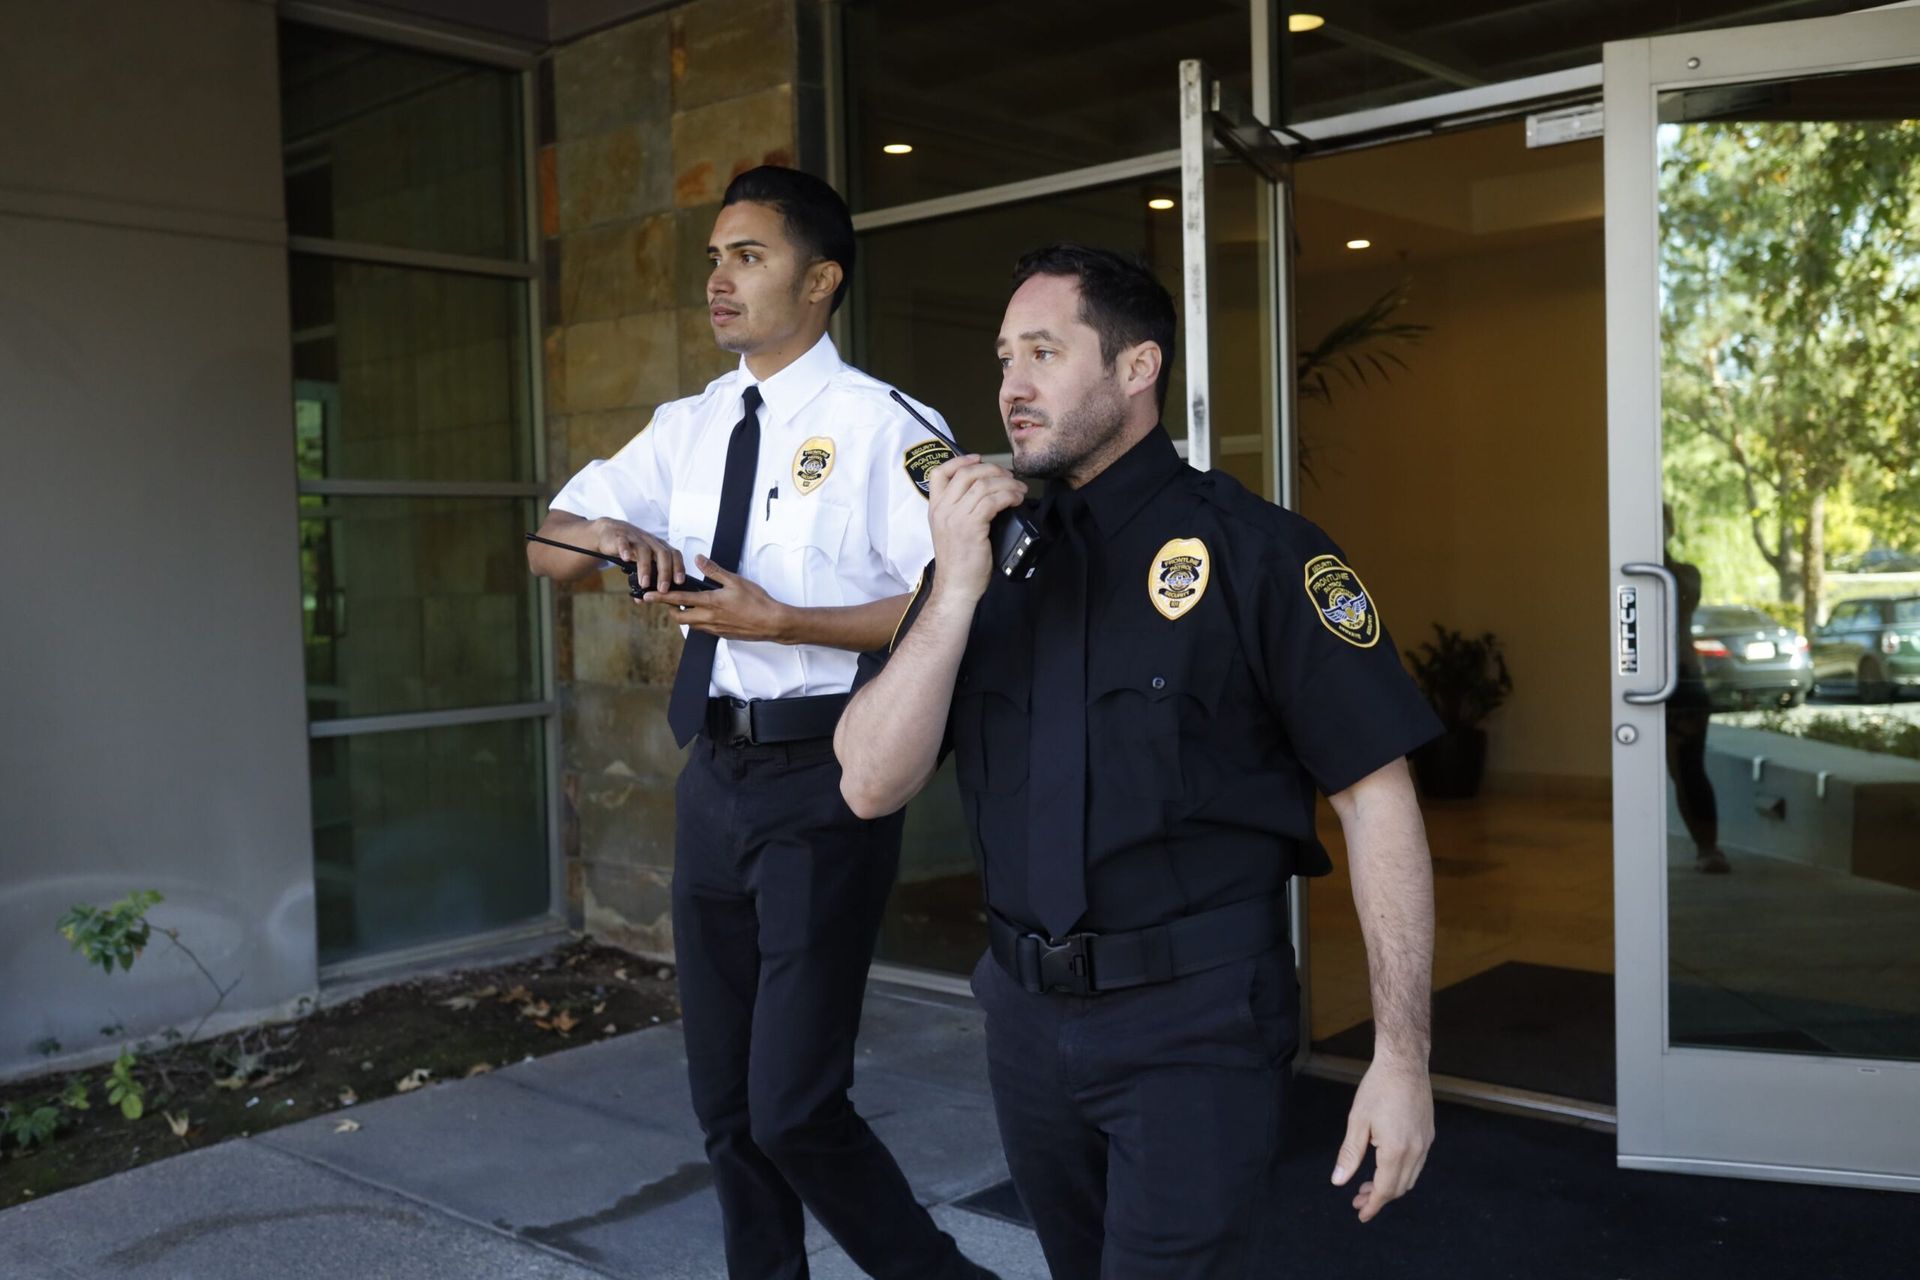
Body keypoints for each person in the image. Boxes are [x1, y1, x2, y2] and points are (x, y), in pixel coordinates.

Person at [835, 243, 1443, 1276]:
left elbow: (1376, 799)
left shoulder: (1262, 554)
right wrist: (957, 590)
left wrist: (1402, 1056)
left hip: (1194, 1025)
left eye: (1043, 352)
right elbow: (868, 782)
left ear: (1136, 367)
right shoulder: (981, 559)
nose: (1011, 386)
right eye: (1003, 358)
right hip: (1025, 1021)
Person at [527, 166, 994, 1280]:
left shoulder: (884, 425)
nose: (719, 279)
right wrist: (613, 537)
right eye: (713, 258)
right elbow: (548, 546)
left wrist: (783, 619)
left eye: (749, 256)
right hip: (714, 777)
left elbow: (956, 595)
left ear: (821, 280)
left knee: (792, 1105)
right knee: (727, 1107)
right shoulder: (688, 425)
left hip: (825, 775)